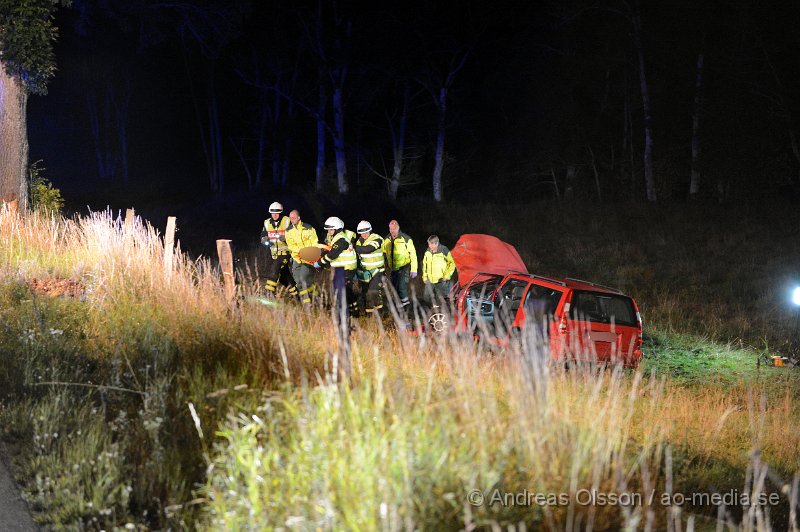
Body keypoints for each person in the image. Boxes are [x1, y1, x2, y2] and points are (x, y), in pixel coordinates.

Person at [314, 216, 358, 316]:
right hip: (343, 268)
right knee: (347, 291)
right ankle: (354, 311)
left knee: (340, 291)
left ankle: (343, 313)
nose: (328, 232)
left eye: (330, 229)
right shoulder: (338, 237)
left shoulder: (340, 239)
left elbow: (333, 254)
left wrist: (319, 263)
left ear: (336, 228)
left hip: (346, 269)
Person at [260, 201, 297, 298]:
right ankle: (297, 295)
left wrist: (286, 237)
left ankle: (268, 294)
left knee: (274, 269)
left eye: (277, 213)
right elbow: (263, 234)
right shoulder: (267, 222)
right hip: (274, 254)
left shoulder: (287, 221)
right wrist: (264, 239)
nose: (275, 215)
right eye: (273, 213)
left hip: (285, 253)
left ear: (280, 213)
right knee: (284, 277)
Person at [284, 209, 319, 305]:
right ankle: (313, 297)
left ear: (298, 218)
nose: (291, 220)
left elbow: (314, 243)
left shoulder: (309, 228)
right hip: (296, 259)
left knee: (303, 279)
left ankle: (309, 304)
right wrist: (299, 252)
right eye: (290, 218)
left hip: (308, 259)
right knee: (298, 282)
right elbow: (290, 245)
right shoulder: (288, 231)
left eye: (293, 218)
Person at [382, 219, 418, 308]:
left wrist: (414, 269)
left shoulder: (406, 239)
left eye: (394, 228)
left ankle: (406, 307)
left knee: (401, 287)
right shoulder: (386, 240)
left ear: (398, 228)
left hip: (404, 267)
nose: (392, 231)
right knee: (394, 288)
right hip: (393, 268)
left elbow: (413, 255)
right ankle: (400, 305)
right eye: (391, 229)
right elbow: (382, 255)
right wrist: (382, 268)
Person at [354, 220, 385, 315]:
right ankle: (369, 314)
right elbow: (358, 257)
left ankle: (380, 314)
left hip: (377, 271)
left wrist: (353, 247)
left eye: (366, 232)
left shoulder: (377, 238)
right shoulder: (359, 241)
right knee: (365, 293)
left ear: (370, 230)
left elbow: (368, 249)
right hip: (364, 272)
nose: (364, 234)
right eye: (361, 233)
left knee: (374, 292)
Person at [422, 235, 456, 308]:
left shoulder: (444, 250)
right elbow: (425, 264)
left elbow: (452, 263)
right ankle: (433, 310)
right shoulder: (427, 251)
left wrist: (447, 275)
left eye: (431, 244)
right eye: (429, 244)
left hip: (441, 280)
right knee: (426, 298)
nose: (429, 246)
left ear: (436, 243)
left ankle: (444, 314)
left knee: (442, 299)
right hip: (430, 280)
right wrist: (424, 277)